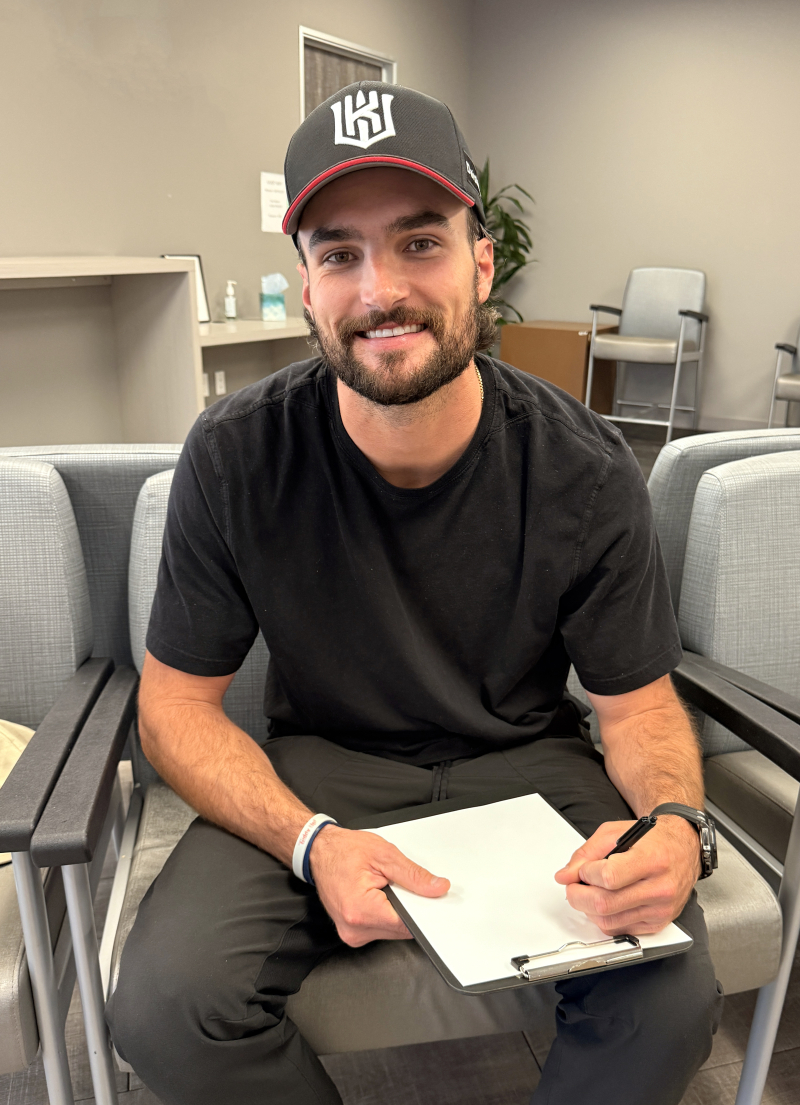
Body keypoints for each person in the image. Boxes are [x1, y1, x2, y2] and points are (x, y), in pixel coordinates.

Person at [107, 82, 723, 1105]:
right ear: (307, 287)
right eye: (339, 254)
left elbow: (635, 707)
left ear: (482, 262)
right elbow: (173, 707)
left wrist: (672, 819)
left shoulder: (582, 466)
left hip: (528, 759)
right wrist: (310, 841)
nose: (380, 289)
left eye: (419, 242)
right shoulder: (236, 455)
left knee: (666, 997)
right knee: (168, 1005)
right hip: (324, 766)